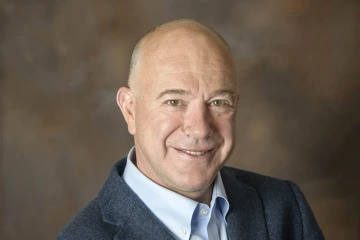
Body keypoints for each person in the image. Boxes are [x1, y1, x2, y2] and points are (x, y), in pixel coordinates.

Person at [56, 19, 324, 240]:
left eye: (218, 102)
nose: (199, 128)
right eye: (174, 101)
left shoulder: (285, 207)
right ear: (130, 110)